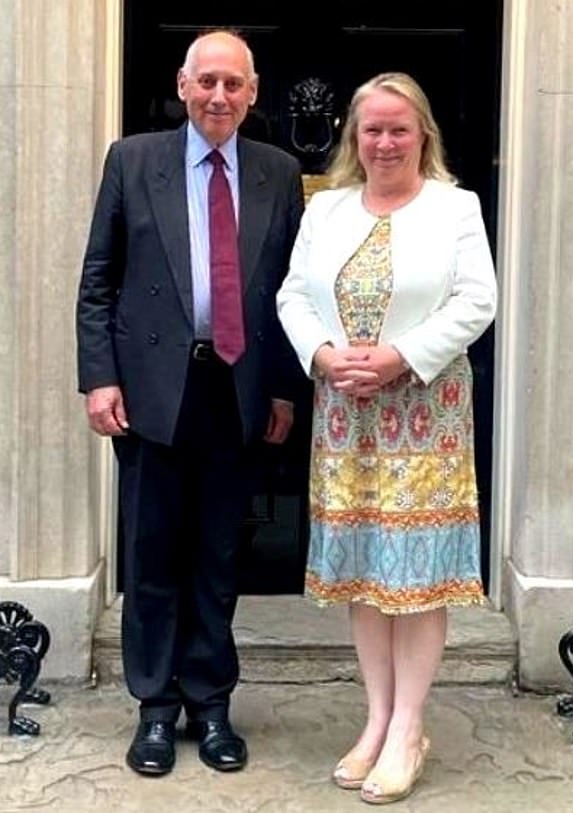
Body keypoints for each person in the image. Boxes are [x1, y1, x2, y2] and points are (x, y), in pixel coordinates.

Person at [76, 30, 304, 776]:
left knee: (216, 555)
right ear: (181, 85)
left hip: (236, 388)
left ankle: (210, 702)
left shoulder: (278, 170)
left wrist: (281, 386)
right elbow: (99, 278)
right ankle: (153, 707)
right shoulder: (133, 159)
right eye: (206, 81)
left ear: (253, 90)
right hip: (149, 390)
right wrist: (99, 376)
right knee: (151, 553)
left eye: (232, 84)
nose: (218, 96)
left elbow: (291, 294)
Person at [277, 72, 497, 804]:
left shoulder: (455, 206)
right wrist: (323, 354)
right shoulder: (328, 208)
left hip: (424, 415)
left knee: (414, 572)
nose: (384, 141)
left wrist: (402, 356)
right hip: (345, 416)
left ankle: (409, 725)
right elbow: (291, 293)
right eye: (371, 128)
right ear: (354, 138)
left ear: (423, 134)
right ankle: (376, 719)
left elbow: (477, 299)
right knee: (367, 569)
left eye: (399, 128)